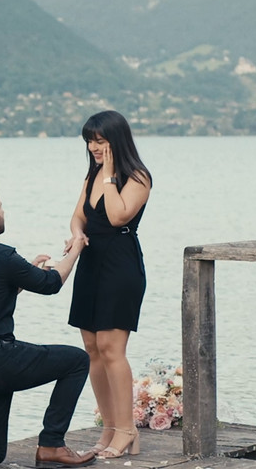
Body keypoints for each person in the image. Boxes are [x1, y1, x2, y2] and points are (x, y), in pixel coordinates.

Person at [0, 185, 96, 468]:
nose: (3, 212)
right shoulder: (3, 257)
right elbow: (51, 284)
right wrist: (75, 250)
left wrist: (20, 278)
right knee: (77, 361)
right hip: (1, 361)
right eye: (0, 208)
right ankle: (51, 444)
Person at [64, 111, 152, 459]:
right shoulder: (92, 174)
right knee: (91, 348)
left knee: (112, 347)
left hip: (120, 264)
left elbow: (117, 216)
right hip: (91, 262)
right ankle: (110, 426)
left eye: (99, 141)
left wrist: (112, 177)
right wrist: (76, 234)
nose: (93, 147)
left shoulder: (138, 176)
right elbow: (78, 215)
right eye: (90, 140)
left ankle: (127, 430)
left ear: (116, 141)